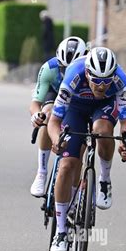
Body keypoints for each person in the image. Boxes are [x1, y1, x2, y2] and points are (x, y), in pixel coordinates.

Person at [47, 47, 126, 251]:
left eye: (107, 80)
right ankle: (60, 232)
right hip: (75, 108)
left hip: (104, 108)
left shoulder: (121, 81)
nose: (102, 85)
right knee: (67, 165)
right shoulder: (73, 76)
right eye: (96, 80)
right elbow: (54, 121)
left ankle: (104, 179)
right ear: (87, 73)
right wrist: (55, 140)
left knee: (102, 130)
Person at [30, 36, 87, 197]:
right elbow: (35, 103)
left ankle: (76, 186)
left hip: (80, 98)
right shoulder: (49, 68)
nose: (68, 72)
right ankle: (41, 172)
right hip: (56, 94)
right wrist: (36, 116)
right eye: (64, 68)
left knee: (81, 143)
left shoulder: (88, 69)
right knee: (47, 114)